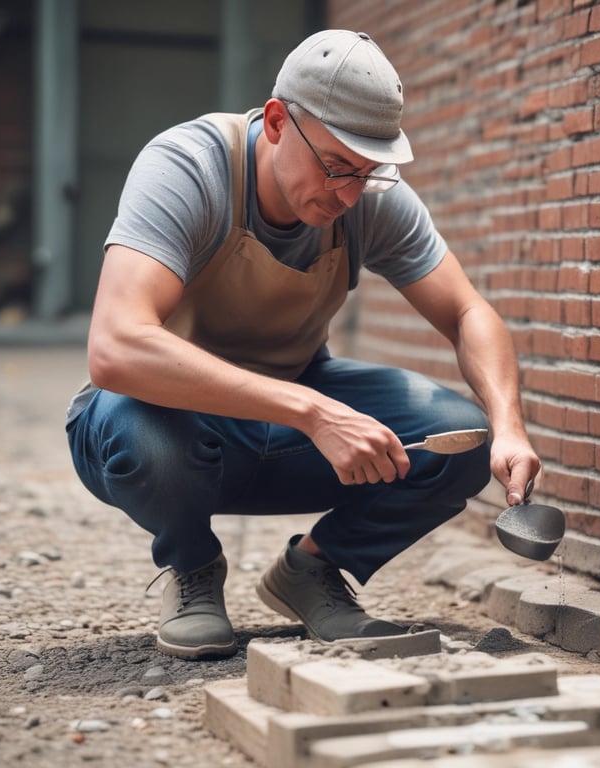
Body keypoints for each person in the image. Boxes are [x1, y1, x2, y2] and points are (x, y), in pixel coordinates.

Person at [66, 29, 541, 660]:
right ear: (276, 121)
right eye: (337, 165)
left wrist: (510, 426)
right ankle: (193, 567)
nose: (348, 193)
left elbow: (466, 311)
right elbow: (116, 347)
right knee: (142, 438)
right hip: (170, 422)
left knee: (459, 437)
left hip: (284, 424)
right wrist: (312, 411)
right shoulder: (189, 167)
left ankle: (313, 571)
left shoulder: (370, 197)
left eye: (369, 173)